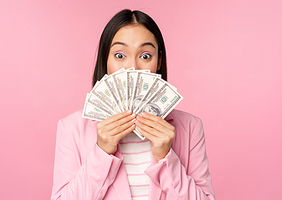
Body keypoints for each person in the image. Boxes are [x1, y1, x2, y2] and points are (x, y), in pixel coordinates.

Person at [51, 9, 215, 200]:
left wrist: (165, 158)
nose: (132, 68)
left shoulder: (190, 127)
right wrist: (102, 153)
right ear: (106, 59)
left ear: (159, 61)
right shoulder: (71, 128)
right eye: (120, 55)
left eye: (145, 56)